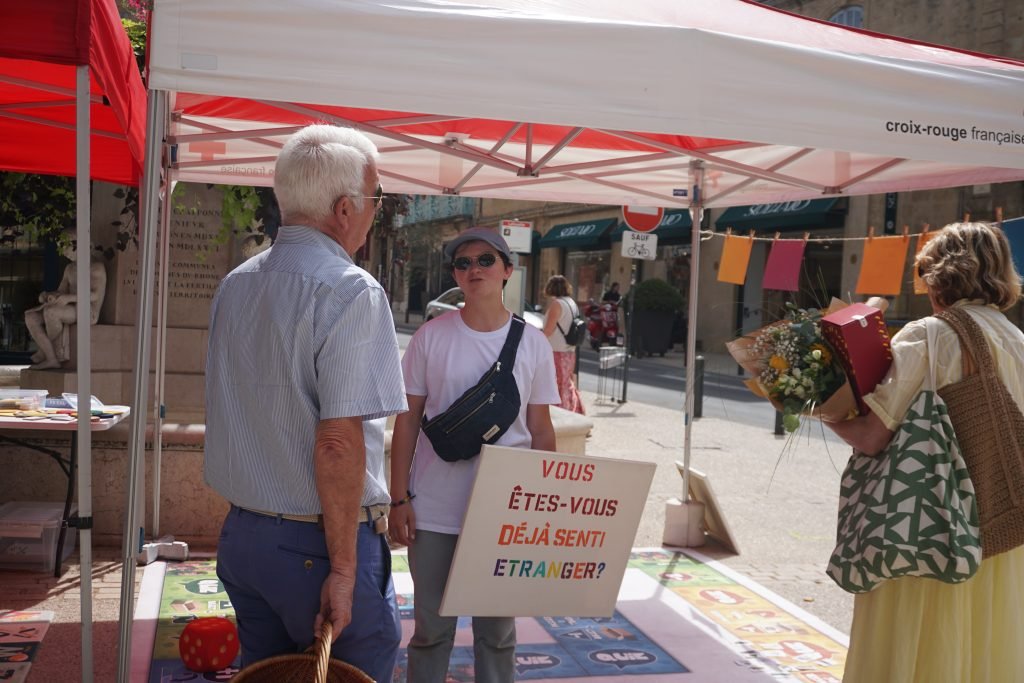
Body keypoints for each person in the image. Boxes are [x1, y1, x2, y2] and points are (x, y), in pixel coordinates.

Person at [204, 124, 407, 682]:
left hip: (246, 537)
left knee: (268, 675)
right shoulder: (350, 288)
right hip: (318, 542)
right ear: (346, 209)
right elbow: (338, 442)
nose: (376, 212)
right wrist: (344, 567)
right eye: (377, 199)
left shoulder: (236, 283)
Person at [824, 221, 1024, 682]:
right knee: (984, 646)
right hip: (999, 528)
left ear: (938, 276)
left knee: (920, 644)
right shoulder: (1015, 339)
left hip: (927, 529)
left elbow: (873, 436)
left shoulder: (928, 336)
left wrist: (821, 409)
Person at [388, 227, 559, 682]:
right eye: (462, 263)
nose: (473, 269)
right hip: (434, 510)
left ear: (508, 270)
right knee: (431, 631)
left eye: (485, 260)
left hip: (503, 515)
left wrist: (545, 507)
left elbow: (541, 431)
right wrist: (398, 498)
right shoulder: (430, 336)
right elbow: (407, 420)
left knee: (498, 635)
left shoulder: (534, 344)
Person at [25, 242, 106, 369]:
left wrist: (69, 298)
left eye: (66, 248)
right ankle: (50, 356)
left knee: (51, 312)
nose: (64, 252)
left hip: (87, 311)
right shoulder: (69, 268)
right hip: (69, 307)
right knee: (31, 316)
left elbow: (95, 295)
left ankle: (45, 352)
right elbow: (61, 291)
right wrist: (49, 296)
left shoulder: (96, 267)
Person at [542, 274, 585, 414]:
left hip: (556, 351)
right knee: (567, 383)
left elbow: (548, 330)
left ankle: (561, 413)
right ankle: (575, 411)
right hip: (570, 351)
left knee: (557, 385)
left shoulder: (557, 304)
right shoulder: (572, 303)